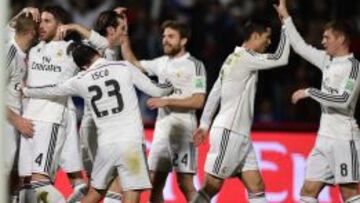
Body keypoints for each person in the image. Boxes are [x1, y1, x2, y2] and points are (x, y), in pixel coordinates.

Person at [22, 43, 174, 203]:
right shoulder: (123, 66)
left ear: (82, 66)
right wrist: (170, 86)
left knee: (95, 193)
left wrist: (26, 91)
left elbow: (53, 89)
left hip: (106, 146)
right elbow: (157, 90)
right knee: (132, 190)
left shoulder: (81, 79)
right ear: (97, 53)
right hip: (131, 144)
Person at [191, 19, 290, 203]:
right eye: (267, 38)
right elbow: (281, 58)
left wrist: (205, 124)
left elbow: (215, 93)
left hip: (240, 135)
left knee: (257, 187)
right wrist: (286, 24)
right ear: (254, 36)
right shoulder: (246, 58)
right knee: (211, 186)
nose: (269, 42)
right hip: (229, 133)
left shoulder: (232, 58)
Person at [275, 0, 360, 202]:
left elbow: (343, 100)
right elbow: (300, 47)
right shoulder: (326, 60)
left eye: (326, 37)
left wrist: (310, 92)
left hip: (344, 139)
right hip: (323, 138)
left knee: (349, 194)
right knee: (307, 191)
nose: (322, 41)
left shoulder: (354, 67)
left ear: (341, 39)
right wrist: (286, 18)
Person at [121, 19, 207, 202]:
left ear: (183, 41)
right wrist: (124, 35)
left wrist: (166, 101)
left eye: (170, 36)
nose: (165, 40)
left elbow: (198, 101)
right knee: (154, 183)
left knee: (185, 184)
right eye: (163, 36)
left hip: (184, 131)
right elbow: (133, 63)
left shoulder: (195, 65)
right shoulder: (160, 63)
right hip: (162, 132)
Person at [56, 8, 128, 202]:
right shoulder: (100, 51)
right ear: (111, 31)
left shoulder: (95, 50)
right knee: (113, 184)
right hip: (99, 129)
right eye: (122, 29)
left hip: (89, 127)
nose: (125, 33)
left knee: (95, 188)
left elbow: (103, 37)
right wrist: (75, 26)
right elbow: (102, 39)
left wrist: (115, 16)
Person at [20, 5, 83, 202]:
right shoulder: (34, 48)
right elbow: (5, 38)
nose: (41, 26)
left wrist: (77, 28)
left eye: (48, 21)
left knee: (40, 182)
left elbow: (102, 48)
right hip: (28, 119)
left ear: (61, 26)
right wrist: (21, 15)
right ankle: (80, 190)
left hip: (50, 118)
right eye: (41, 21)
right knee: (26, 184)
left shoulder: (71, 49)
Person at [4, 8, 38, 202]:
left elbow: (10, 27)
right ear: (31, 33)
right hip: (7, 122)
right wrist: (17, 121)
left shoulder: (19, 51)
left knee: (13, 174)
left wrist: (24, 12)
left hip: (13, 123)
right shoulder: (9, 51)